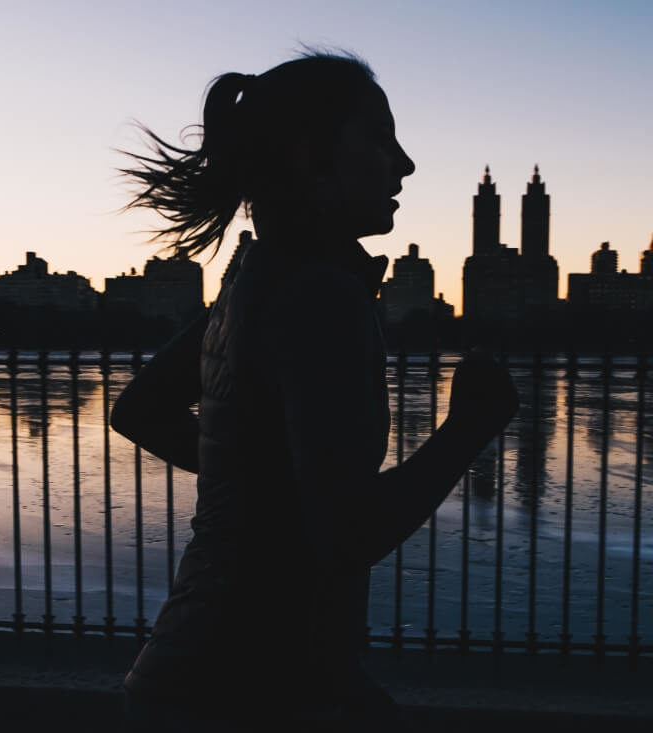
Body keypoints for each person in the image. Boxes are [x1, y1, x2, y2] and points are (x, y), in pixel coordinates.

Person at [113, 51, 519, 732]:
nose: (404, 164)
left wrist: (263, 485)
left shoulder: (256, 273)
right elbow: (349, 532)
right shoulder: (320, 290)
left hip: (203, 673)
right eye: (380, 137)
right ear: (312, 156)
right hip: (251, 691)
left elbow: (140, 411)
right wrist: (470, 426)